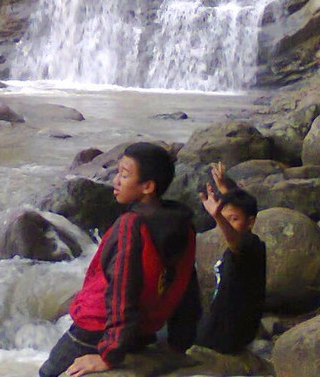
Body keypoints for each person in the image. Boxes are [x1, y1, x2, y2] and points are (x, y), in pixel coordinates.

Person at [39, 142, 201, 377]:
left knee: (48, 373)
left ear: (147, 186)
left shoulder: (131, 225)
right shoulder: (185, 224)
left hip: (97, 326)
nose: (115, 180)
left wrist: (109, 355)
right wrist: (179, 343)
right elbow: (185, 283)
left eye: (124, 175)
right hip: (144, 329)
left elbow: (122, 289)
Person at [195, 162, 266, 354]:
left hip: (225, 335)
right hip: (231, 327)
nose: (227, 223)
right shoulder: (255, 243)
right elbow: (241, 206)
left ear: (251, 222)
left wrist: (218, 216)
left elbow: (235, 240)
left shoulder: (249, 246)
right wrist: (225, 187)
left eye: (233, 219)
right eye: (226, 218)